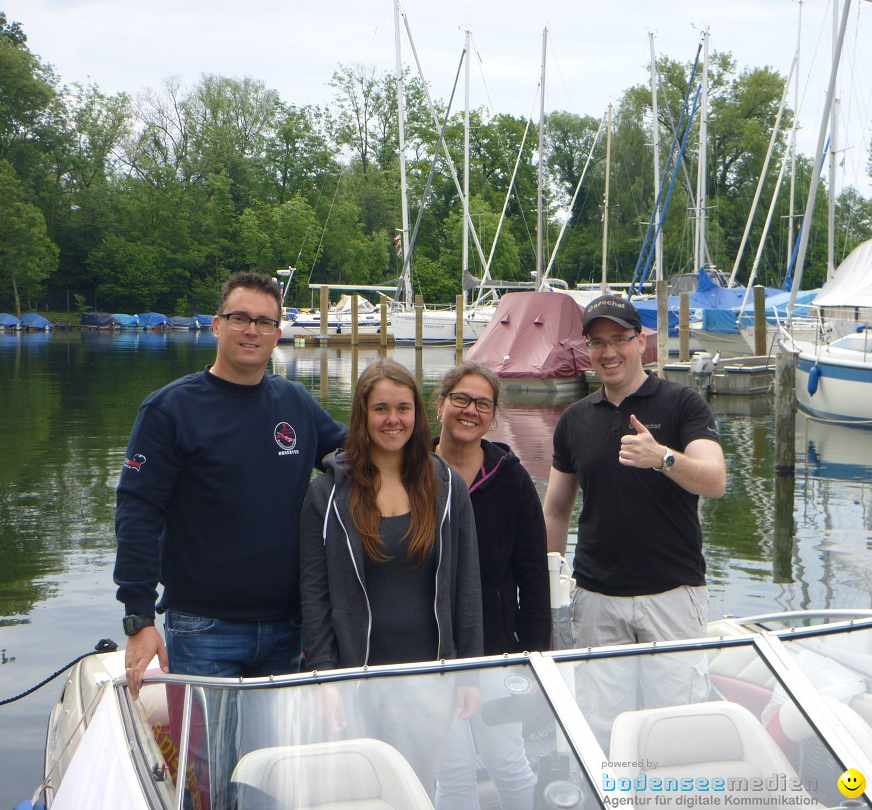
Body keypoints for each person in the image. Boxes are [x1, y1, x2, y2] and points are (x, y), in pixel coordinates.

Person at [114, 272, 346, 698]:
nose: (252, 330)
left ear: (278, 335)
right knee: (209, 763)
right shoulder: (169, 411)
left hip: (290, 627)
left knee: (276, 761)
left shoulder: (296, 403)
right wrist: (139, 620)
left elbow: (364, 457)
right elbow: (137, 514)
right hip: (204, 628)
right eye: (240, 318)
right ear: (217, 325)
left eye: (265, 322)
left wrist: (443, 452)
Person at [541, 294, 726, 743]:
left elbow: (714, 480)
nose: (608, 353)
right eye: (597, 342)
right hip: (598, 598)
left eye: (619, 339)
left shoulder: (682, 404)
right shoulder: (574, 420)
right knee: (604, 730)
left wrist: (662, 458)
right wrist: (547, 581)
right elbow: (556, 509)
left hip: (673, 595)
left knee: (677, 728)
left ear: (640, 342)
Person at [298, 358, 483, 793]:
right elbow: (314, 592)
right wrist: (325, 677)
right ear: (362, 415)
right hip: (355, 675)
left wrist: (470, 671)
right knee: (359, 790)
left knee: (415, 787)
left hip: (429, 677)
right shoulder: (325, 493)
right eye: (381, 409)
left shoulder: (447, 485)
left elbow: (466, 584)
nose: (393, 419)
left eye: (403, 408)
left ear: (418, 414)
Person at [431, 361, 550, 810]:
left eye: (482, 403)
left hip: (497, 648)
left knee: (508, 761)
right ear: (440, 404)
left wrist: (535, 659)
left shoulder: (512, 479)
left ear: (493, 415)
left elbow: (534, 578)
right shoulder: (412, 472)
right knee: (453, 770)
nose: (470, 410)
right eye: (460, 399)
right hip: (432, 650)